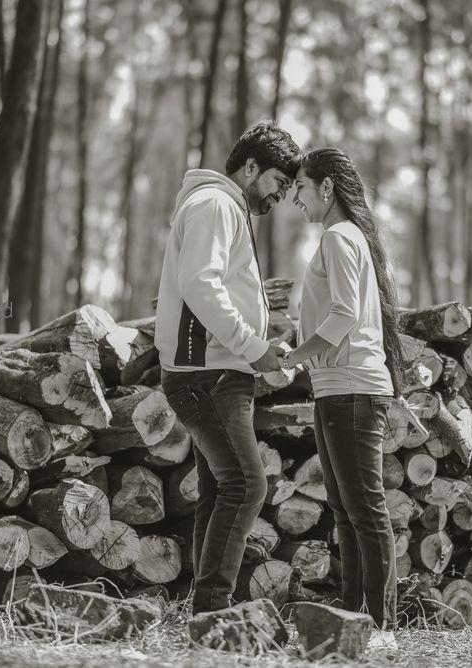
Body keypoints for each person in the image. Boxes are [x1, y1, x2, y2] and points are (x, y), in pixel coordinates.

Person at [155, 121, 301, 614]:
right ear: (252, 167)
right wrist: (249, 345)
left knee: (221, 488)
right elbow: (200, 282)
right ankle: (214, 612)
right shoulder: (216, 204)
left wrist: (257, 348)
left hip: (216, 370)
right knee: (247, 484)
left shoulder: (225, 206)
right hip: (206, 374)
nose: (281, 194)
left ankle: (207, 609)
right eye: (278, 182)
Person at [281, 148, 404, 649]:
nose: (296, 201)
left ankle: (381, 628)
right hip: (339, 390)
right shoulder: (347, 238)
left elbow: (344, 316)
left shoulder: (337, 236)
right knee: (348, 509)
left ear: (326, 187)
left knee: (365, 510)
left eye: (302, 189)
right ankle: (354, 621)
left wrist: (293, 358)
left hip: (353, 391)